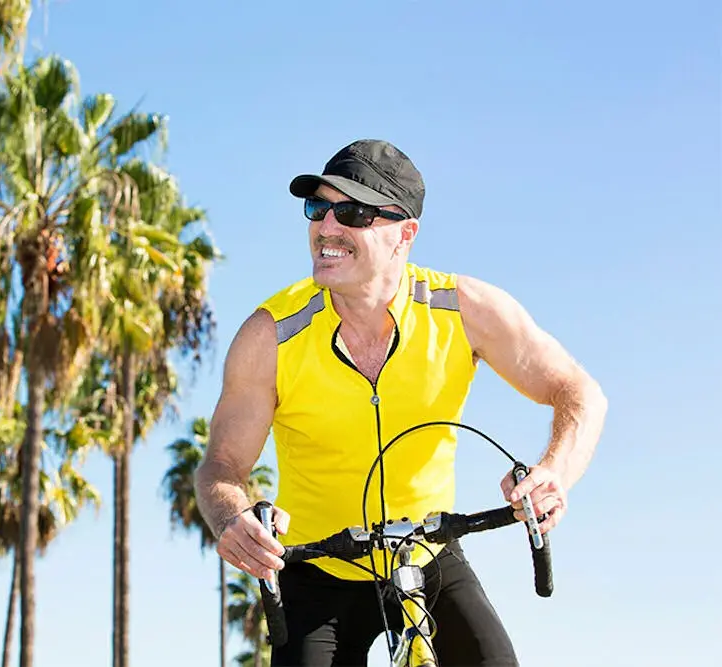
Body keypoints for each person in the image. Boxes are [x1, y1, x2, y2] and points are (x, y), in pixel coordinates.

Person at [193, 139, 607, 666]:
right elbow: (221, 465)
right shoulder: (270, 335)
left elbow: (579, 391)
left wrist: (554, 473)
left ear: (404, 234)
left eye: (353, 213)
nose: (327, 227)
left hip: (428, 554)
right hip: (319, 569)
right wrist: (232, 517)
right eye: (318, 208)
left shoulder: (463, 309)